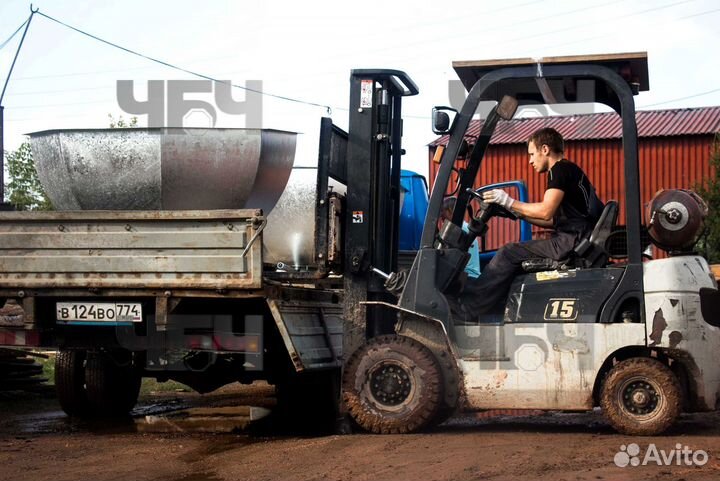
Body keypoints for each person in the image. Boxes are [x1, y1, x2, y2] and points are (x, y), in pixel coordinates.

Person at [454, 127, 604, 319]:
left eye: (532, 154)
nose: (530, 161)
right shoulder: (570, 170)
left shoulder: (559, 170)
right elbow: (551, 220)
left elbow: (545, 210)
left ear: (545, 149)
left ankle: (468, 308)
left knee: (508, 252)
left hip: (569, 243)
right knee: (511, 253)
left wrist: (509, 202)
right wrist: (516, 212)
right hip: (574, 238)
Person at [440, 197, 481, 278]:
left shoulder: (458, 229)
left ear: (451, 211)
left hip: (467, 275)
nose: (441, 216)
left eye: (443, 211)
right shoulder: (464, 226)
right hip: (468, 274)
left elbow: (444, 254)